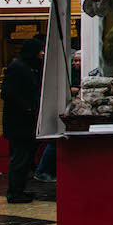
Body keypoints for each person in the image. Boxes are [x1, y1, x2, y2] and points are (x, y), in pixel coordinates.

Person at [1, 36, 44, 203]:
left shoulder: (27, 66)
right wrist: (27, 107)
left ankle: (20, 189)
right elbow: (7, 93)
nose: (42, 53)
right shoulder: (18, 67)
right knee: (20, 157)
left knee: (25, 158)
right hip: (18, 123)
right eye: (40, 50)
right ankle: (15, 192)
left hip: (24, 121)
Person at [34, 50, 79, 184]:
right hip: (62, 111)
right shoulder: (67, 74)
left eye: (78, 60)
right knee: (55, 141)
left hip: (69, 110)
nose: (76, 63)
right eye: (74, 60)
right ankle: (42, 171)